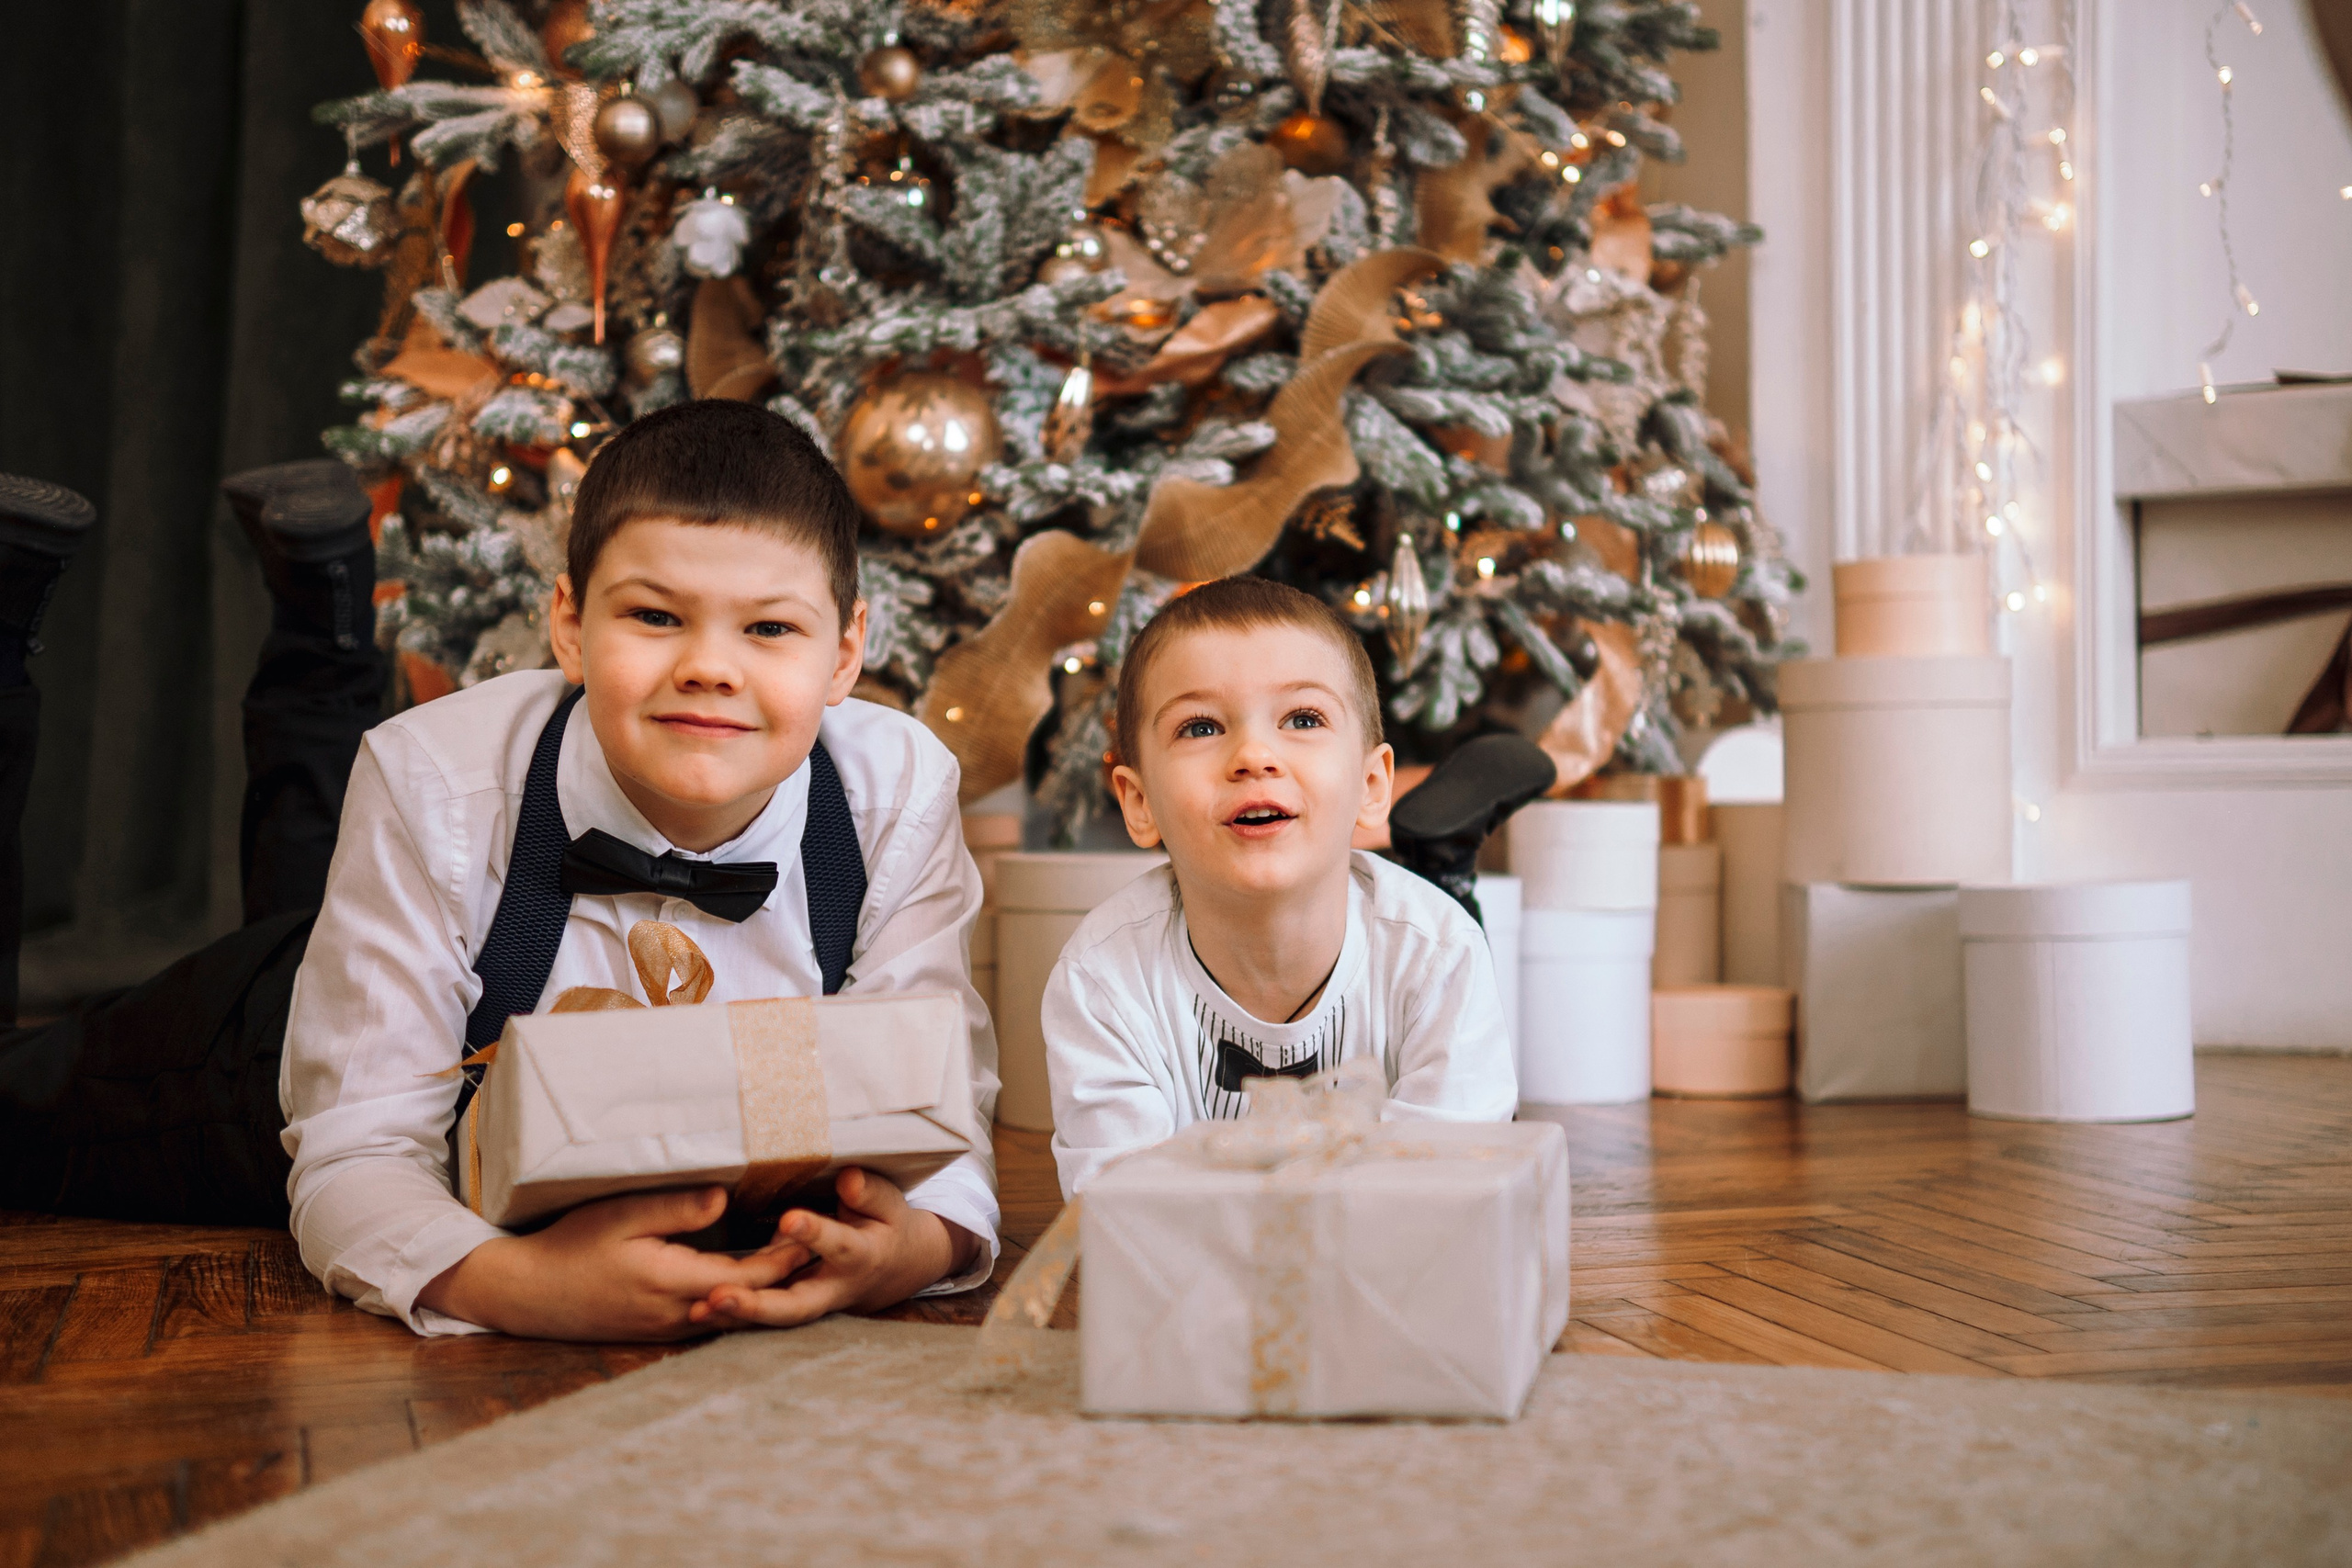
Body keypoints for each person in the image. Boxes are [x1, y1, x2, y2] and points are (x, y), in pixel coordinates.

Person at [0, 400, 1000, 1341]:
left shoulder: (894, 797)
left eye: (770, 628)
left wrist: (917, 1244)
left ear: (844, 653)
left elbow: (939, 1105)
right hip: (272, 1054)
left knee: (315, 868)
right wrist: (522, 1285)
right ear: (569, 624)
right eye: (654, 617)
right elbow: (356, 1143)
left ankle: (328, 610)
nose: (711, 667)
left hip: (438, 950)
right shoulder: (436, 780)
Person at [1041, 577, 1519, 1199]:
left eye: (1302, 717)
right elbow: (1125, 1220)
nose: (1254, 754)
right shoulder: (1103, 978)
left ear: (1372, 786)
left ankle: (1445, 859)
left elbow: (1450, 1195)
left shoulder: (1440, 953)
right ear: (1139, 802)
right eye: (1201, 727)